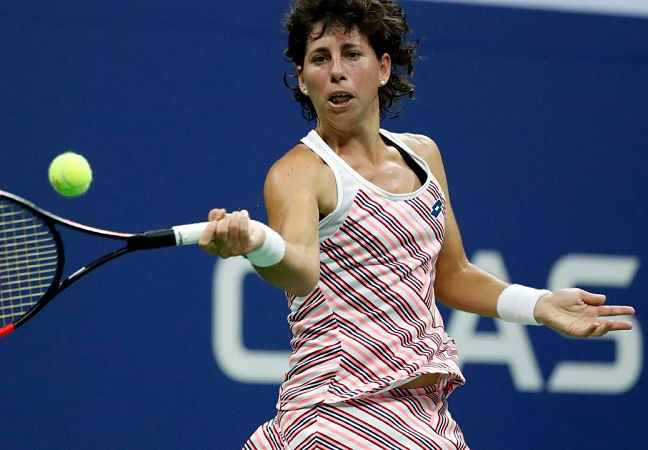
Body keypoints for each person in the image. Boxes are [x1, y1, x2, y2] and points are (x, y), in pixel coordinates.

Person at [198, 0, 636, 448]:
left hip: (428, 417)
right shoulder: (298, 173)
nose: (336, 71)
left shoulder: (423, 155)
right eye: (320, 58)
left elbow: (453, 275)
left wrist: (539, 304)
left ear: (384, 68)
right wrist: (258, 244)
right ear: (303, 78)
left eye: (352, 53)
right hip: (335, 416)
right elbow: (299, 270)